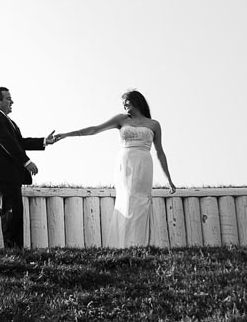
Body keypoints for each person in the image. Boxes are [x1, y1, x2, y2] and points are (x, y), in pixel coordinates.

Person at [54, 90, 177, 247]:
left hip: (144, 163)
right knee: (127, 199)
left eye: (127, 101)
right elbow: (95, 129)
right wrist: (67, 134)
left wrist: (169, 179)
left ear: (137, 101)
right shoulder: (121, 119)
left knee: (141, 200)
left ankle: (141, 243)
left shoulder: (154, 124)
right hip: (125, 163)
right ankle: (125, 244)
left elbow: (160, 152)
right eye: (123, 103)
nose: (124, 105)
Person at [0, 87, 56, 248]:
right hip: (0, 176)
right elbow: (7, 143)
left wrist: (44, 141)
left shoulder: (8, 121)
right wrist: (27, 162)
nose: (12, 102)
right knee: (9, 215)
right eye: (8, 98)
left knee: (15, 217)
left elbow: (19, 142)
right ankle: (12, 254)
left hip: (10, 176)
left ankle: (17, 253)